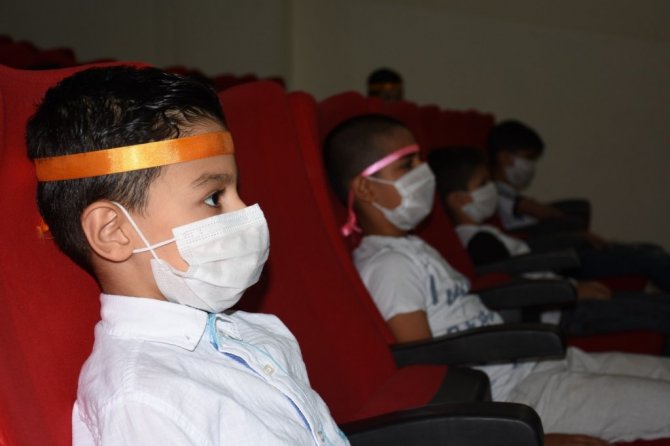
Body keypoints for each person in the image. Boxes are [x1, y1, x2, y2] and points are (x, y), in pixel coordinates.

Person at [27, 66, 348, 445]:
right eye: (214, 197)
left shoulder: (256, 334)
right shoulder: (143, 402)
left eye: (237, 191)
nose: (245, 212)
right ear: (113, 231)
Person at [323, 113, 670, 444]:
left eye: (421, 160)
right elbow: (427, 371)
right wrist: (513, 436)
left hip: (538, 364)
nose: (424, 173)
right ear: (366, 188)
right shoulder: (388, 266)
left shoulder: (412, 245)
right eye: (407, 165)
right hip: (519, 395)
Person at [428, 145, 670, 352]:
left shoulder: (484, 232)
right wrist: (572, 291)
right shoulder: (478, 242)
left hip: (564, 300)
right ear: (458, 199)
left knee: (659, 303)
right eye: (483, 183)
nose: (492, 188)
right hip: (562, 313)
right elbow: (512, 284)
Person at [487, 120, 670, 292]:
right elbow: (539, 212)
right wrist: (576, 234)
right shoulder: (495, 192)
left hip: (564, 249)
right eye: (528, 158)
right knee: (650, 258)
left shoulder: (506, 193)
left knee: (651, 250)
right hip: (557, 257)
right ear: (504, 157)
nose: (531, 166)